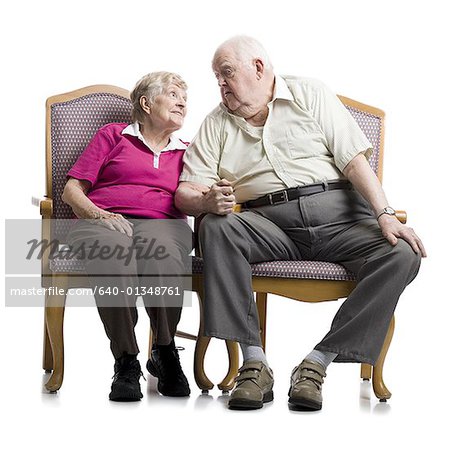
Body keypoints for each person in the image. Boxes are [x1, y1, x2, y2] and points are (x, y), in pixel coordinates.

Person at [175, 36, 426, 411]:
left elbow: (355, 161)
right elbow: (185, 192)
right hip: (268, 225)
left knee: (402, 253)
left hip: (341, 217)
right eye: (217, 78)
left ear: (258, 68)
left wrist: (384, 214)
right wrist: (207, 200)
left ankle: (316, 363)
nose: (221, 85)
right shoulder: (216, 124)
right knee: (214, 225)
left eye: (226, 74)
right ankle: (254, 363)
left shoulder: (311, 93)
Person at [62, 71, 193, 401]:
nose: (182, 102)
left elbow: (199, 194)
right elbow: (71, 191)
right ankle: (126, 361)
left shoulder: (188, 150)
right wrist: (100, 215)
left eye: (185, 98)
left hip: (164, 223)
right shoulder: (113, 135)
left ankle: (164, 353)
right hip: (104, 220)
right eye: (174, 94)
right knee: (113, 255)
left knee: (163, 253)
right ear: (147, 103)